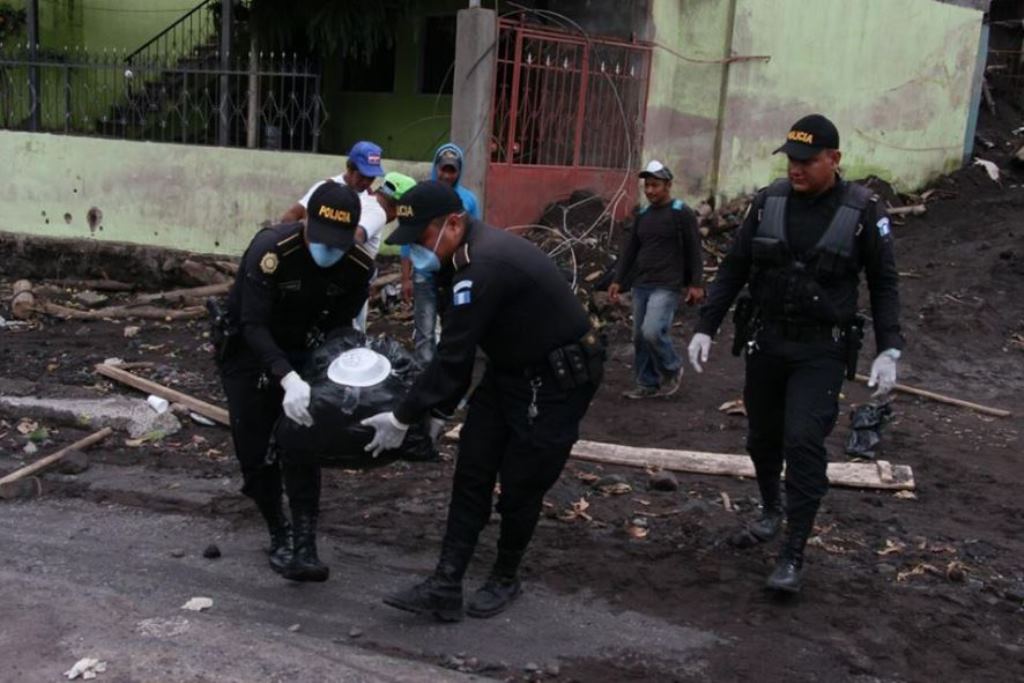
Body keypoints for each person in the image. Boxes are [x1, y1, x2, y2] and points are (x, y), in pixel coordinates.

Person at [360, 181, 604, 622]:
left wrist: (403, 416)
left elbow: (453, 356)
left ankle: (505, 576)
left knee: (520, 484)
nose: (417, 249)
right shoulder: (459, 259)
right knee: (472, 468)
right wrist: (437, 410)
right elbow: (462, 347)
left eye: (421, 238)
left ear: (452, 223)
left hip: (556, 381)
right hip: (509, 370)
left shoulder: (481, 267)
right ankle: (445, 584)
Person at [687, 114, 903, 593]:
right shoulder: (769, 203)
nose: (796, 169)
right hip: (768, 341)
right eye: (791, 160)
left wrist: (890, 348)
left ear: (835, 160)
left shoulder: (864, 211)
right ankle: (770, 510)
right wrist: (706, 326)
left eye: (807, 161)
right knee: (762, 437)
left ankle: (793, 554)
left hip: (820, 350)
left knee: (803, 442)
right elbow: (736, 267)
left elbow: (884, 284)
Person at [219, 181, 372, 583]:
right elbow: (252, 324)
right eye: (321, 240)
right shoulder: (270, 251)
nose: (329, 251)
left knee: (303, 442)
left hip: (306, 352)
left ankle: (304, 543)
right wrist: (283, 376)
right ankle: (278, 530)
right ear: (305, 223)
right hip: (249, 353)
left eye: (339, 244)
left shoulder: (357, 267)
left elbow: (340, 326)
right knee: (253, 451)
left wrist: (333, 374)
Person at [607, 160, 704, 399]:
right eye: (647, 185)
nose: (650, 190)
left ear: (668, 185)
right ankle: (646, 383)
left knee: (652, 331)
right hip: (642, 283)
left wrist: (696, 283)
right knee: (639, 336)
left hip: (667, 284)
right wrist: (618, 280)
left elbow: (694, 248)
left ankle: (672, 368)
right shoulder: (643, 214)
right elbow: (631, 250)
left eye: (655, 185)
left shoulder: (681, 212)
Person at [281, 140, 388, 332]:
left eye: (372, 178)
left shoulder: (373, 209)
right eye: (363, 176)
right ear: (350, 167)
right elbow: (289, 218)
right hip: (311, 279)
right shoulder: (325, 188)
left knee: (344, 339)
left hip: (348, 286)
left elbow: (354, 240)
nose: (367, 182)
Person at [399, 143, 481, 364]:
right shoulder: (419, 195)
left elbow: (474, 237)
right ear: (435, 168)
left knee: (452, 328)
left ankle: (446, 373)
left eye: (451, 170)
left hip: (453, 275)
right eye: (442, 169)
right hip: (425, 275)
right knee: (424, 329)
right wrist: (406, 277)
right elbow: (408, 239)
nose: (446, 175)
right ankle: (423, 374)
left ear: (459, 171)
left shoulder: (468, 200)